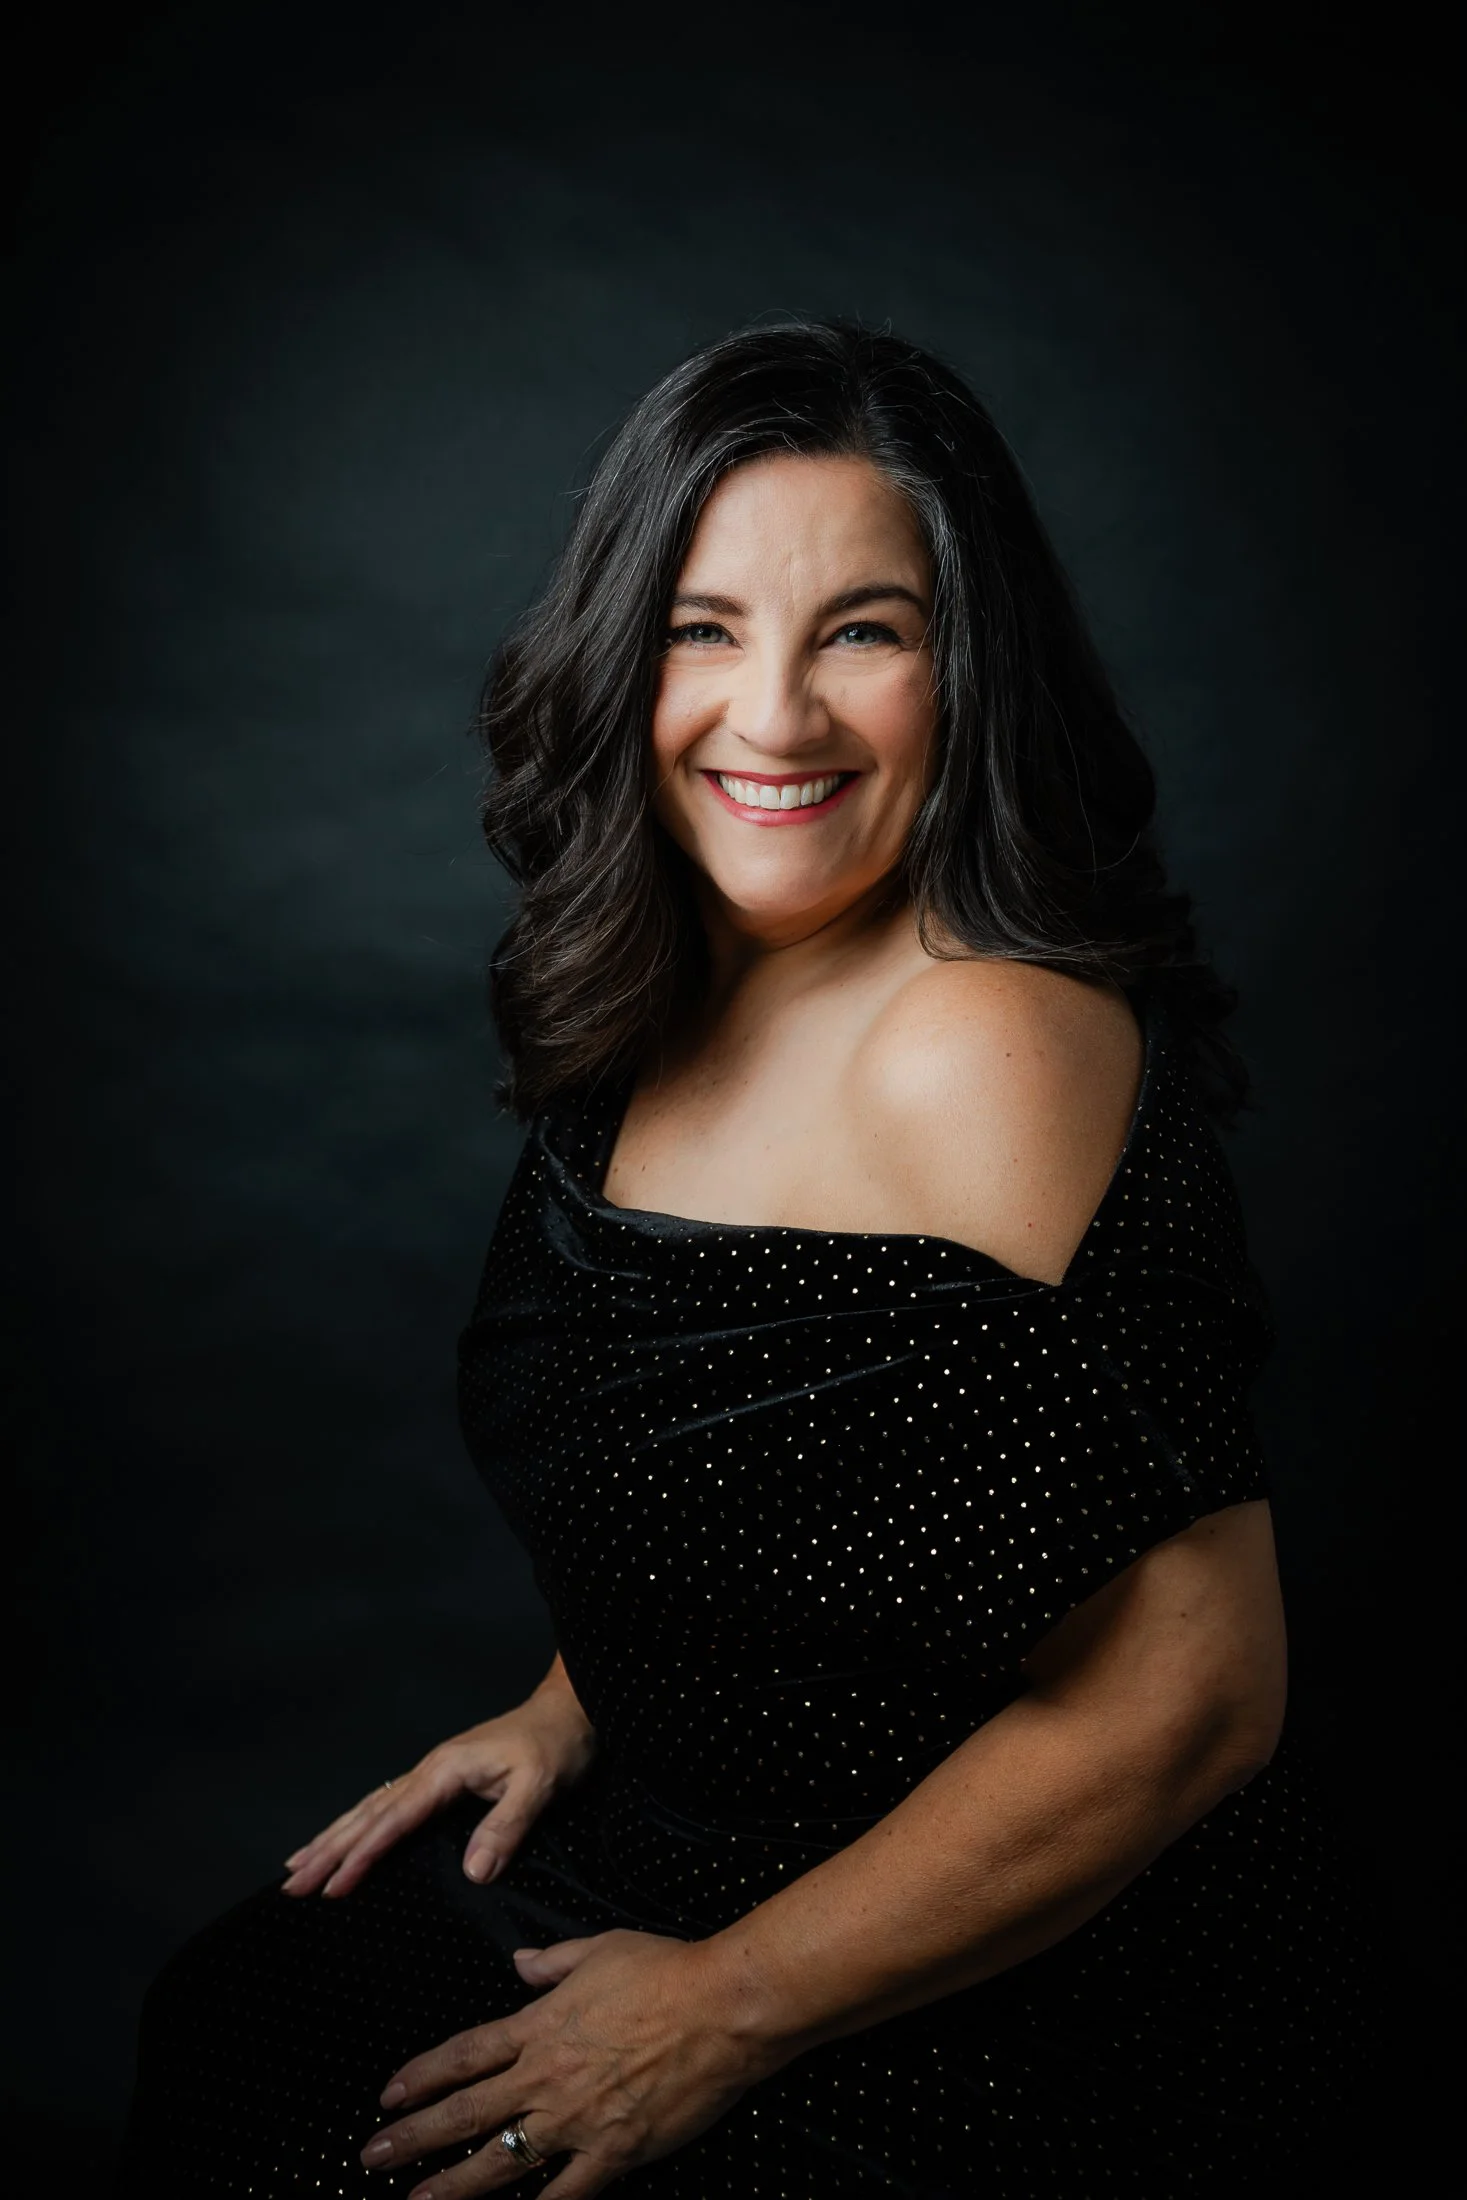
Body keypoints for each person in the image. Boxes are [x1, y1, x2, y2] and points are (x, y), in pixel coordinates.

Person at [118, 321, 1369, 2198]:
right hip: (678, 1843)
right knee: (244, 2017)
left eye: (861, 630)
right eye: (704, 629)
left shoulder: (983, 1041)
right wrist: (572, 1698)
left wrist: (724, 2008)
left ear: (970, 667)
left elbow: (1192, 1698)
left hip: (965, 1960)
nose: (769, 717)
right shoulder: (660, 999)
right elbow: (766, 1484)